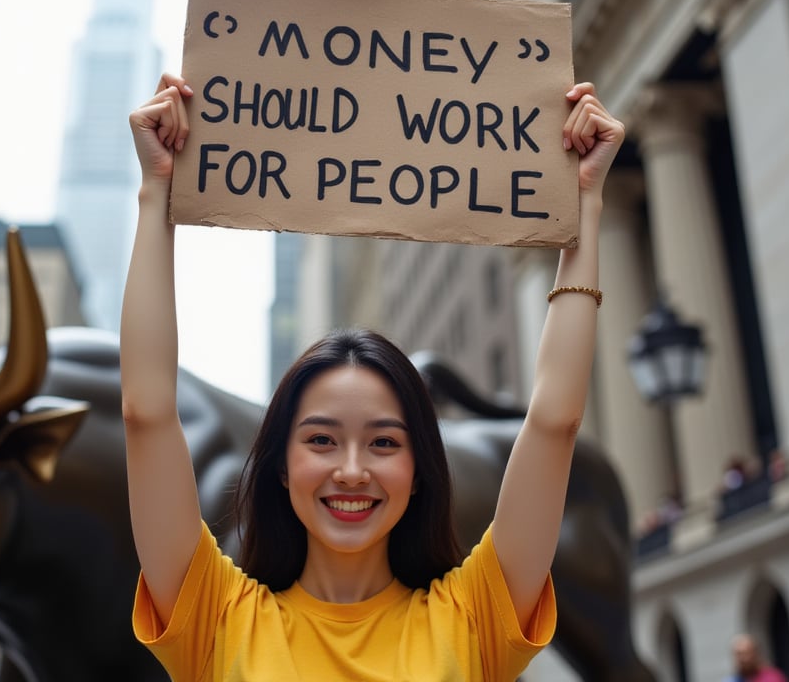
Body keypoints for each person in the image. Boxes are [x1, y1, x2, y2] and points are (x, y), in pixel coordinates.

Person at [120, 72, 624, 680]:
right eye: (321, 439)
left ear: (419, 473)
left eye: (384, 442)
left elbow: (554, 421)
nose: (352, 470)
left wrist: (586, 202)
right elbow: (146, 414)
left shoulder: (473, 617)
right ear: (281, 465)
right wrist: (157, 192)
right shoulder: (215, 616)